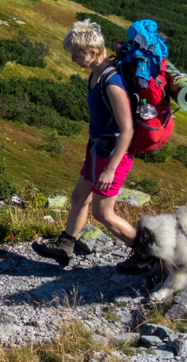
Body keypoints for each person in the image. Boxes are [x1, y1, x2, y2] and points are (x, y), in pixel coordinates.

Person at [33, 19, 152, 274]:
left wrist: (110, 169)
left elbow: (127, 129)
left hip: (112, 155)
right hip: (97, 149)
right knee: (79, 197)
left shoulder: (112, 83)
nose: (73, 58)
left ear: (93, 53)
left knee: (103, 212)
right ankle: (65, 245)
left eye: (76, 53)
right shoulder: (96, 74)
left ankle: (149, 254)